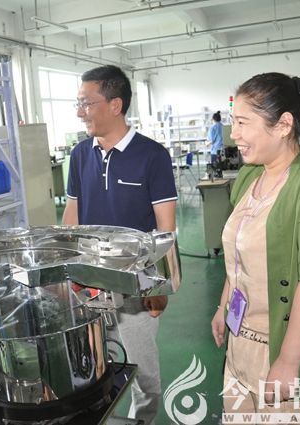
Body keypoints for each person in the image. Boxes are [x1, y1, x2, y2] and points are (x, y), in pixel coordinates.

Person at [210, 72, 300, 419]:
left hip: (285, 343)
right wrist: (223, 306)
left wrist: (288, 360)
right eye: (233, 121)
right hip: (241, 340)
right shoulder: (249, 176)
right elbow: (238, 254)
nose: (234, 133)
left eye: (243, 123)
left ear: (284, 125)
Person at [62, 65, 177, 425]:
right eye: (78, 103)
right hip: (88, 284)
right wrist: (63, 270)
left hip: (134, 287)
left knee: (144, 373)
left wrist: (161, 286)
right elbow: (72, 213)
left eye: (86, 103)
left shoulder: (152, 156)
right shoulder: (80, 154)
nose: (80, 112)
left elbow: (165, 228)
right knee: (90, 368)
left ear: (115, 105)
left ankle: (142, 420)